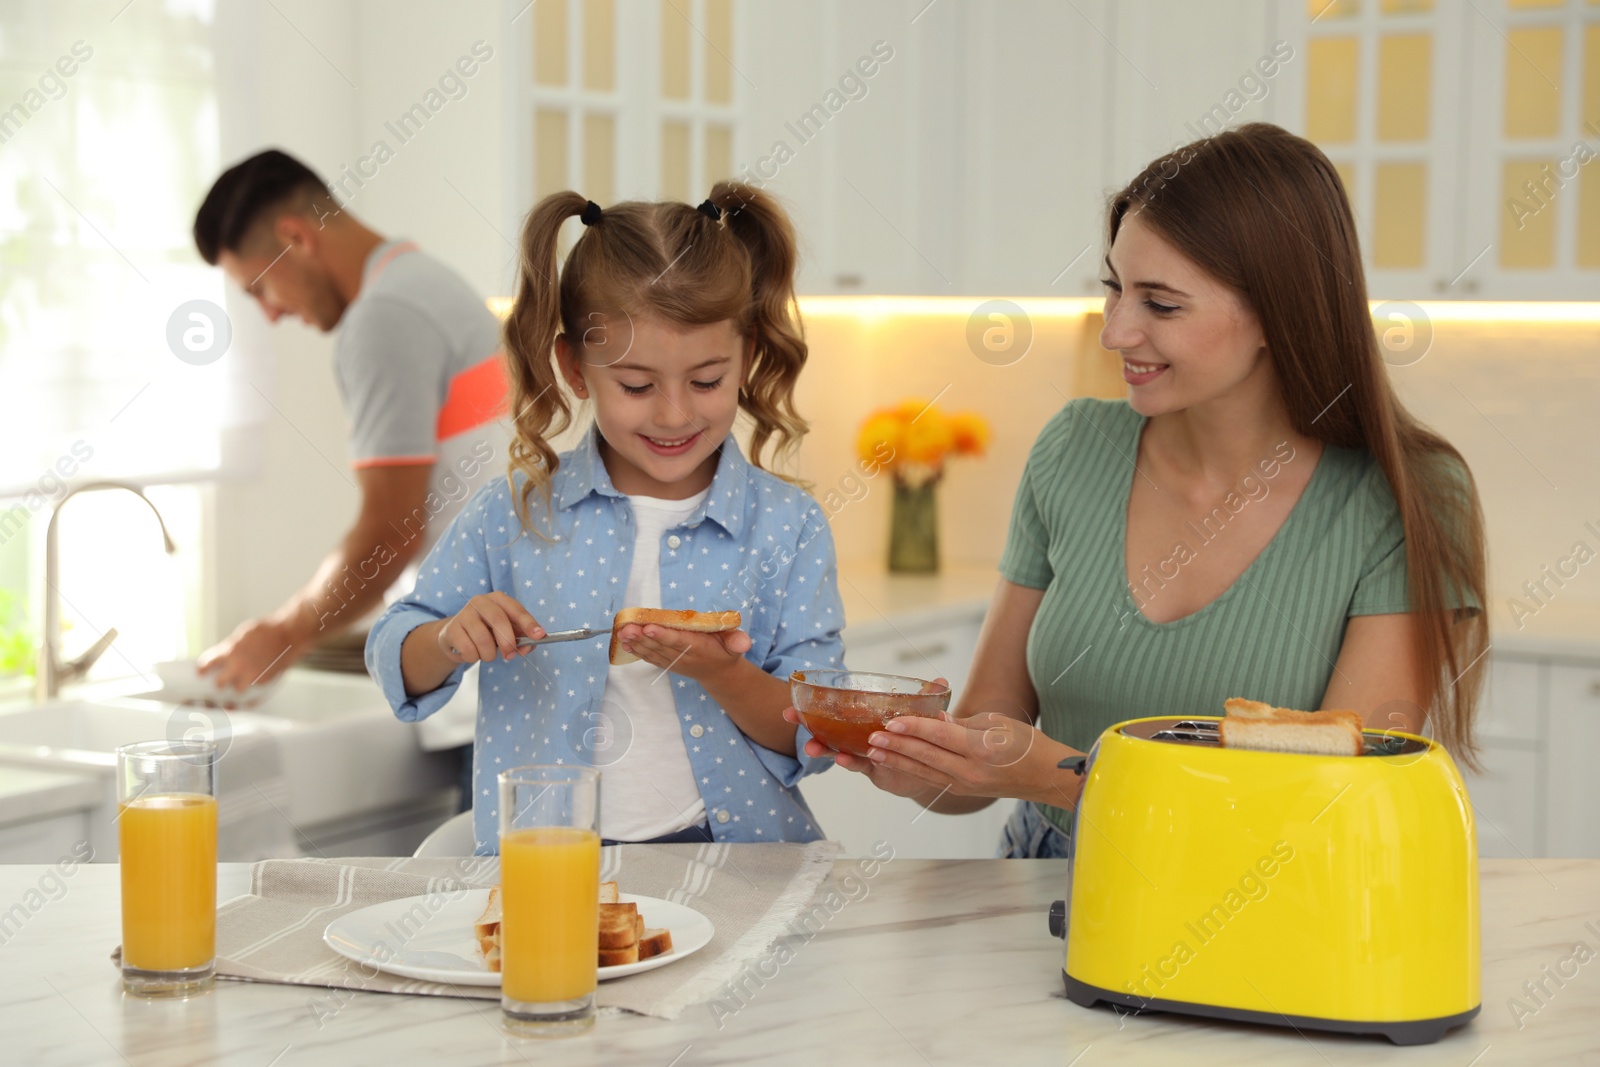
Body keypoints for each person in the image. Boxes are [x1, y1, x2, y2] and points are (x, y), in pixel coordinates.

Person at [790, 123, 1489, 858]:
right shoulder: (1073, 450)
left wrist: (1066, 778)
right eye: (1115, 288)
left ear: (1275, 312)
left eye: (1160, 304)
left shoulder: (1407, 497)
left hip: (1257, 910)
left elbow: (1332, 801)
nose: (1115, 330)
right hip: (1043, 879)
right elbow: (989, 736)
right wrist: (923, 761)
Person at [365, 184, 844, 853]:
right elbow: (393, 650)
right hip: (547, 871)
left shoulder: (787, 525)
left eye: (706, 381)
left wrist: (720, 672)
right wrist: (448, 636)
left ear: (749, 356)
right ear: (576, 369)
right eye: (638, 386)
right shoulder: (513, 513)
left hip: (737, 865)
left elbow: (817, 731)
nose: (674, 414)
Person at [192, 149, 508, 807]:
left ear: (295, 238)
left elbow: (391, 529)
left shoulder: (383, 319)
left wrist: (285, 631)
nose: (271, 314)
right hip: (496, 654)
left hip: (483, 669)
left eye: (259, 289)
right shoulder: (426, 281)